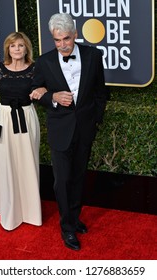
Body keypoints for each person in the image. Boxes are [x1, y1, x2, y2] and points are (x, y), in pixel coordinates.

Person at [30, 13, 107, 250]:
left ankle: (74, 218)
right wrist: (52, 97)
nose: (62, 45)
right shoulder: (44, 62)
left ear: (75, 34)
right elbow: (33, 90)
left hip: (84, 128)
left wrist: (95, 120)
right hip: (60, 130)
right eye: (57, 40)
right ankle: (67, 228)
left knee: (78, 178)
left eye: (66, 39)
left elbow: (101, 92)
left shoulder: (94, 56)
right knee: (62, 181)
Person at [0, 32, 46, 231]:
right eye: (12, 46)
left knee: (28, 162)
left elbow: (45, 90)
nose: (17, 49)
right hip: (4, 118)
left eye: (20, 45)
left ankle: (30, 211)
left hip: (26, 117)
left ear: (27, 48)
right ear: (7, 49)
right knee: (6, 162)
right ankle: (10, 210)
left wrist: (43, 90)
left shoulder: (36, 69)